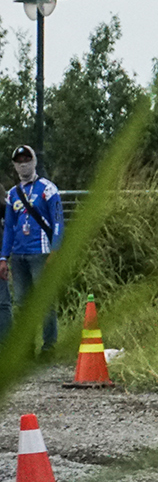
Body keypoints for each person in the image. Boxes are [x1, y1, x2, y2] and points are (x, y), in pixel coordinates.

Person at [0, 145, 65, 355]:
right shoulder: (12, 195)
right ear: (14, 166)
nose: (23, 164)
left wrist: (55, 250)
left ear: (34, 161)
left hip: (41, 252)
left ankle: (49, 345)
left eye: (27, 159)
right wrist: (4, 257)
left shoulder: (48, 189)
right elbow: (9, 227)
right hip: (18, 255)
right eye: (19, 161)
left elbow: (57, 222)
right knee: (22, 302)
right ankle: (27, 347)